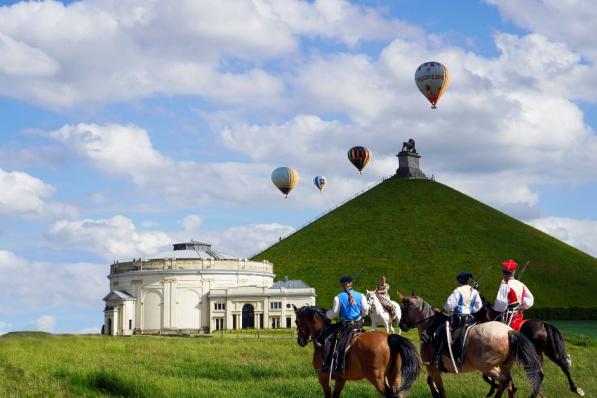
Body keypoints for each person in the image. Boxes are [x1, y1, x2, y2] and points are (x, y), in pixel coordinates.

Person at [317, 275, 369, 377]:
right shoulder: (361, 295)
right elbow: (365, 312)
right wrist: (357, 315)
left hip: (346, 326)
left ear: (342, 285)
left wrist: (326, 314)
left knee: (328, 337)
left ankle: (329, 366)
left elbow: (334, 314)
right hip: (358, 325)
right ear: (351, 284)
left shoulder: (338, 297)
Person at [431, 272, 482, 369]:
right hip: (471, 318)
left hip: (457, 318)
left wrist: (446, 309)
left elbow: (449, 306)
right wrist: (470, 310)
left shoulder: (458, 291)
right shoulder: (474, 291)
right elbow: (479, 306)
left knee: (441, 331)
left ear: (459, 281)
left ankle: (436, 359)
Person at [494, 259, 534, 330]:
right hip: (519, 316)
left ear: (504, 273)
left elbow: (500, 306)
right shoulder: (521, 284)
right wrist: (522, 306)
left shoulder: (505, 285)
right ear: (514, 272)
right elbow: (530, 300)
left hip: (508, 318)